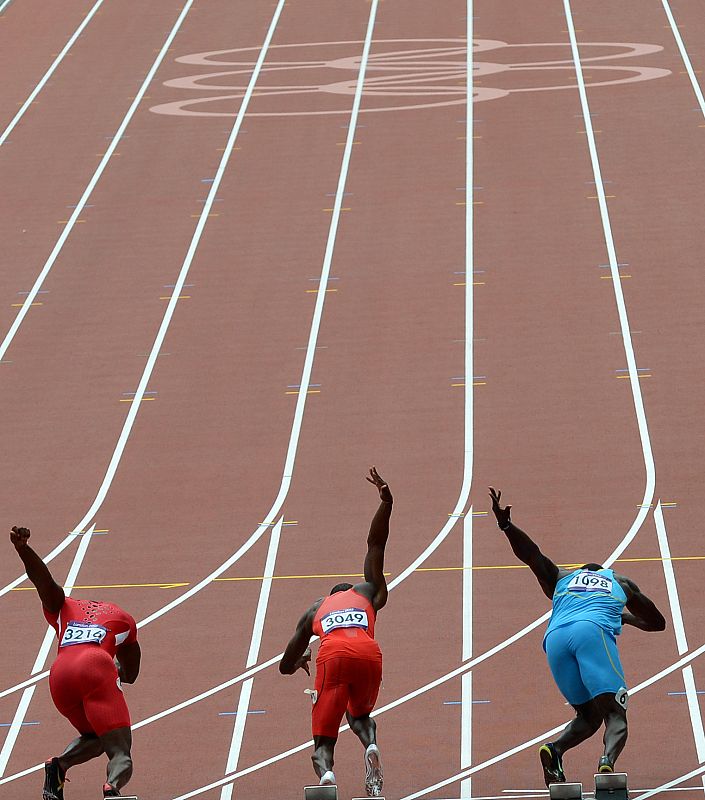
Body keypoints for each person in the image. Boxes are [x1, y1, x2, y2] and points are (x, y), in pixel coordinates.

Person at [489, 488, 666, 787]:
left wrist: (506, 526)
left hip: (555, 639)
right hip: (591, 632)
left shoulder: (561, 579)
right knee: (615, 713)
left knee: (589, 716)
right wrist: (625, 618)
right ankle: (607, 763)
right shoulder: (619, 581)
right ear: (603, 573)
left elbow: (531, 555)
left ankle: (555, 751)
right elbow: (657, 623)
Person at [280, 467, 392, 797]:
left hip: (332, 657)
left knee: (323, 740)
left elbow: (284, 666)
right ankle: (370, 745)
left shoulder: (317, 608)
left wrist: (300, 659)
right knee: (360, 714)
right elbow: (375, 544)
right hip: (369, 654)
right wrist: (386, 503)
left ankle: (326, 773)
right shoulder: (368, 593)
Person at [10, 526, 141, 800]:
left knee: (96, 736)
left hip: (60, 675)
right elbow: (130, 674)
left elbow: (43, 582)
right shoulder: (124, 619)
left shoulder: (64, 606)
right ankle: (112, 788)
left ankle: (59, 766)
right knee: (119, 750)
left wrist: (23, 549)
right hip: (96, 666)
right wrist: (114, 672)